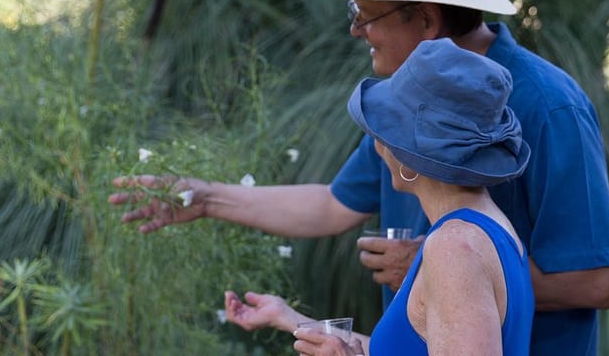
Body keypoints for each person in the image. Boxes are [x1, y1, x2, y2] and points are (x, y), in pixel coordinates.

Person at [108, 0, 609, 354]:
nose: (356, 31)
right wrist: (205, 197)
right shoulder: (409, 103)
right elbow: (334, 204)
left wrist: (432, 270)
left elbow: (599, 282)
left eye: (363, 13)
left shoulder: (550, 105)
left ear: (425, 20)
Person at [225, 38, 535, 356]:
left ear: (411, 161)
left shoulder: (454, 248)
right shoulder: (490, 227)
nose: (376, 146)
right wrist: (288, 318)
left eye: (384, 133)